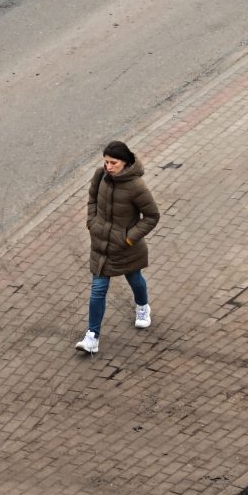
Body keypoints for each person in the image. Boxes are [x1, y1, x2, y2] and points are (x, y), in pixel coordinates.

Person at [80, 139, 160, 355]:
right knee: (98, 290)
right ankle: (92, 337)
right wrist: (92, 222)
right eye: (106, 162)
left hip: (125, 248)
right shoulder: (101, 176)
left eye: (113, 163)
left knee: (134, 279)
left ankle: (142, 307)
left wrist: (128, 239)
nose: (108, 167)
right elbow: (92, 199)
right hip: (100, 245)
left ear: (124, 163)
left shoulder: (136, 187)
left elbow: (152, 216)